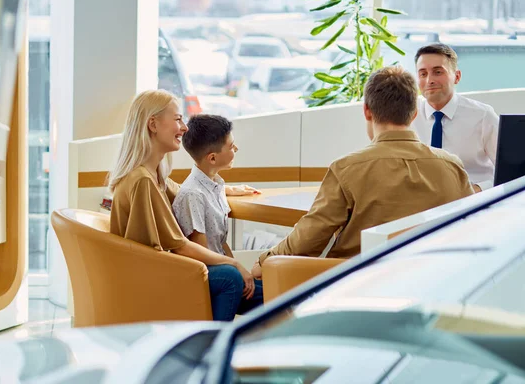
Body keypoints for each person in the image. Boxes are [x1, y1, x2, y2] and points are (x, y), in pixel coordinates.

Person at [251, 66, 474, 278]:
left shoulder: (347, 169)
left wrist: (264, 261)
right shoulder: (451, 166)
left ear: (367, 110)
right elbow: (472, 229)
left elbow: (310, 238)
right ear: (414, 113)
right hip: (432, 287)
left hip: (357, 288)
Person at [108, 89, 261, 321]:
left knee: (247, 286)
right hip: (150, 279)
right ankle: (214, 348)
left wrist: (225, 188)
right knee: (231, 277)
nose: (184, 127)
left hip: (158, 272)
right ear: (153, 124)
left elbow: (186, 191)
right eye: (178, 119)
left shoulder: (154, 174)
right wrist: (234, 262)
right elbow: (180, 247)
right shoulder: (142, 181)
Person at [172, 114, 263, 315]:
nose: (236, 149)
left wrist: (244, 272)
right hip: (208, 273)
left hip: (222, 267)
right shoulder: (193, 195)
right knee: (234, 278)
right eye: (231, 146)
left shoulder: (216, 186)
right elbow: (202, 253)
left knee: (275, 295)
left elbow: (221, 244)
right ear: (212, 158)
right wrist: (237, 266)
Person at [411, 43, 500, 192]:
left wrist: (478, 189)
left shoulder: (483, 116)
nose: (429, 81)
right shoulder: (409, 115)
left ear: (457, 77)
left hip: (473, 201)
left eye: (438, 72)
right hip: (423, 203)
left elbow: (511, 173)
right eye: (423, 74)